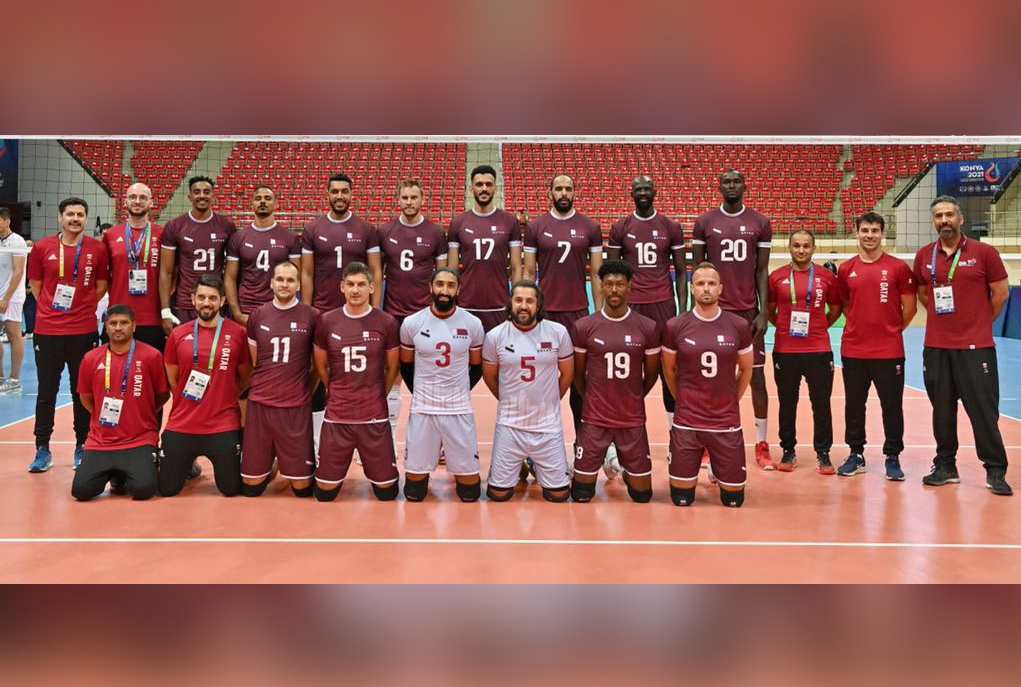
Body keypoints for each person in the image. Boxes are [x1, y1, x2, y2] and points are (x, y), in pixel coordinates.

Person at [913, 195, 1011, 495]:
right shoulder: (924, 255)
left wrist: (979, 322)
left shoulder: (984, 252)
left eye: (949, 215)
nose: (944, 220)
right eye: (938, 216)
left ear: (960, 218)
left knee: (983, 410)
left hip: (975, 347)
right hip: (936, 346)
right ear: (933, 221)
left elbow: (1001, 294)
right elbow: (924, 294)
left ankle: (995, 470)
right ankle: (945, 466)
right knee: (942, 410)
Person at [691, 170, 774, 469]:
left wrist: (763, 310)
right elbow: (699, 270)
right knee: (710, 379)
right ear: (719, 186)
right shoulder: (705, 221)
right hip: (715, 312)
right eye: (726, 182)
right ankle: (706, 443)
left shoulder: (760, 222)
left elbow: (761, 270)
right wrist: (695, 312)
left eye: (736, 181)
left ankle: (762, 443)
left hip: (748, 312)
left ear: (745, 185)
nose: (731, 186)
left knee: (757, 379)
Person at [27, 197, 109, 473]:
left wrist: (80, 307)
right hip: (48, 330)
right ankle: (42, 448)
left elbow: (101, 286)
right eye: (70, 214)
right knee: (46, 390)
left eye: (80, 214)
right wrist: (53, 310)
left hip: (83, 330)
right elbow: (36, 286)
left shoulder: (97, 248)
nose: (75, 219)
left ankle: (82, 445)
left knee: (81, 390)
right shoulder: (42, 247)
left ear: (86, 218)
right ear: (60, 217)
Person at [660, 262, 753, 507]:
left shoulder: (738, 325)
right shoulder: (675, 326)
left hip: (725, 422)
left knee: (734, 500)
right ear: (692, 288)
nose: (706, 288)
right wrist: (683, 400)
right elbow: (669, 370)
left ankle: (719, 466)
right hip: (687, 422)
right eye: (700, 283)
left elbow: (746, 369)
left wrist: (731, 399)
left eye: (712, 283)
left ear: (720, 288)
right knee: (681, 499)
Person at [300, 172, 381, 452]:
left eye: (344, 191)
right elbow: (306, 273)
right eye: (334, 191)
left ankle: (364, 435)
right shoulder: (313, 229)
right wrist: (309, 311)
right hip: (323, 312)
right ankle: (315, 441)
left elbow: (375, 271)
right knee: (316, 372)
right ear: (327, 194)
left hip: (356, 314)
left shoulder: (366, 229)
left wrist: (374, 311)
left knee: (360, 370)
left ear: (351, 194)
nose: (339, 196)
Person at [569, 260, 660, 503]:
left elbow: (652, 374)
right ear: (600, 286)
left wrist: (633, 396)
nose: (614, 290)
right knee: (581, 494)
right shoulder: (584, 326)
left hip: (631, 419)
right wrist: (592, 398)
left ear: (629, 286)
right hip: (594, 419)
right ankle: (607, 464)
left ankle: (625, 470)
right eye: (608, 284)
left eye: (620, 284)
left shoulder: (647, 327)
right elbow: (578, 374)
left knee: (642, 495)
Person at [835, 212, 916, 479]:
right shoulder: (846, 269)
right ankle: (856, 454)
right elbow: (846, 305)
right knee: (854, 405)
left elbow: (910, 308)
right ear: (856, 233)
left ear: (882, 233)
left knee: (891, 405)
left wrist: (890, 330)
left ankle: (892, 456)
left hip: (889, 351)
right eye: (865, 230)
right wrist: (861, 326)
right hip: (854, 350)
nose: (869, 235)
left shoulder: (898, 267)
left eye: (875, 230)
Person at [522, 173, 603, 441]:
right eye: (559, 188)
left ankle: (583, 443)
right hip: (545, 315)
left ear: (575, 192)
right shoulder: (536, 227)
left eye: (568, 188)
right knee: (539, 380)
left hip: (578, 314)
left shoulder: (590, 227)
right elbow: (528, 272)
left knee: (580, 382)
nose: (564, 193)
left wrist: (599, 315)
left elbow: (597, 274)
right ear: (550, 193)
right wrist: (526, 311)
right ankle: (535, 441)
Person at [312, 261, 400, 502]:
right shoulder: (327, 321)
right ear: (342, 286)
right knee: (324, 493)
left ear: (372, 287)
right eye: (350, 284)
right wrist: (334, 388)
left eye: (361, 284)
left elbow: (392, 367)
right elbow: (320, 364)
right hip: (338, 415)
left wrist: (377, 394)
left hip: (373, 415)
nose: (355, 290)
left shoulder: (386, 322)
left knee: (387, 492)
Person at [481, 280, 574, 502]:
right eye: (519, 300)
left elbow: (567, 374)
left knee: (559, 495)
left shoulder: (557, 332)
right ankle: (521, 462)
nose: (524, 306)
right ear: (510, 302)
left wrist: (551, 401)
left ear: (538, 305)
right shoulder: (495, 336)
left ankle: (534, 463)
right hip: (510, 425)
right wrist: (507, 400)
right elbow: (490, 377)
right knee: (498, 495)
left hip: (547, 426)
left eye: (530, 301)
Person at [398, 267, 485, 502]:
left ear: (458, 289)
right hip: (423, 410)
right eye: (440, 284)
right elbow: (406, 366)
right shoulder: (411, 323)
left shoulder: (473, 324)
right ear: (431, 287)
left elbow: (477, 367)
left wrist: (459, 391)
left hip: (459, 409)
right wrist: (421, 393)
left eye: (450, 285)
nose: (444, 290)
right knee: (413, 493)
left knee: (470, 494)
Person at [160, 274, 251, 497]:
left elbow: (245, 376)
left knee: (230, 489)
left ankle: (191, 460)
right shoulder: (178, 334)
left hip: (222, 424)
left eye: (212, 298)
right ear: (192, 299)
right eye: (201, 297)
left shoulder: (238, 334)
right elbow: (173, 379)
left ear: (222, 301)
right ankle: (188, 462)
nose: (206, 303)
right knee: (167, 489)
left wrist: (224, 394)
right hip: (183, 422)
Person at [71, 305, 169, 501]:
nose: (118, 327)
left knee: (143, 489)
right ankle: (118, 472)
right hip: (101, 440)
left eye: (124, 323)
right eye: (113, 323)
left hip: (139, 439)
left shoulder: (151, 355)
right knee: (81, 491)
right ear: (106, 326)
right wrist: (100, 415)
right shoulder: (90, 358)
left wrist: (141, 413)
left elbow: (162, 395)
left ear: (134, 326)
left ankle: (127, 471)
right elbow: (86, 397)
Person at [377, 178, 447, 440]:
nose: (409, 202)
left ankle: (433, 438)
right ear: (398, 200)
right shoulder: (385, 231)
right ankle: (388, 436)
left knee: (429, 376)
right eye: (405, 197)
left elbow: (442, 276)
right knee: (392, 374)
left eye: (413, 197)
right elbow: (377, 272)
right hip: (393, 314)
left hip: (425, 316)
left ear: (422, 199)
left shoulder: (435, 232)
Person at [241, 261, 318, 497]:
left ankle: (288, 463)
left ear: (298, 285)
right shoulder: (257, 316)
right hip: (261, 404)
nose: (285, 284)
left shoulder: (312, 316)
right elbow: (256, 362)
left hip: (295, 406)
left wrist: (305, 390)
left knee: (302, 490)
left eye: (290, 280)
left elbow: (317, 365)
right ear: (272, 283)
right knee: (251, 488)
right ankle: (272, 464)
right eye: (280, 279)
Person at [767, 230, 842, 473]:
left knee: (821, 403)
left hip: (818, 349)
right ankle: (788, 450)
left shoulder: (826, 276)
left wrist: (818, 327)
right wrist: (784, 327)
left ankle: (823, 453)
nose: (801, 250)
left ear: (813, 248)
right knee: (787, 402)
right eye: (797, 245)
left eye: (806, 246)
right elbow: (770, 310)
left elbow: (836, 309)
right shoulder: (776, 276)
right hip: (785, 350)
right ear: (789, 248)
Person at [446, 164, 523, 332]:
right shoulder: (458, 223)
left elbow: (517, 267)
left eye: (488, 184)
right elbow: (452, 269)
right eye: (479, 184)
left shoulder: (510, 221)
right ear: (471, 188)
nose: (484, 189)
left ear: (495, 187)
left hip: (500, 303)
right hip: (465, 304)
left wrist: (516, 299)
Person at [159, 175, 237, 331]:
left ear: (213, 196)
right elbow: (166, 272)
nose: (202, 195)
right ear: (189, 196)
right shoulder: (175, 226)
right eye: (197, 192)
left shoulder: (227, 226)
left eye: (206, 192)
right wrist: (165, 311)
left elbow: (233, 271)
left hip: (215, 302)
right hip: (185, 303)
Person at [224, 185, 301, 325]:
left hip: (278, 306)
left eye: (267, 198)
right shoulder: (238, 237)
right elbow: (230, 277)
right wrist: (237, 313)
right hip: (246, 307)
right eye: (258, 198)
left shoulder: (290, 238)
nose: (263, 201)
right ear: (252, 203)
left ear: (276, 203)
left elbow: (296, 278)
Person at [102, 183, 165, 350]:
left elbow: (170, 275)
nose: (137, 201)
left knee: (151, 365)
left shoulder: (163, 234)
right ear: (125, 202)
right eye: (132, 197)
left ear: (151, 202)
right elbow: (103, 275)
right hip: (117, 316)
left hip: (152, 318)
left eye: (143, 197)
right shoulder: (111, 235)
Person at [0, 207, 27, 394]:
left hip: (12, 296)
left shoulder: (17, 241)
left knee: (13, 334)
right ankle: (1, 377)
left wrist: (5, 298)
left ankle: (15, 379)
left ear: (7, 221)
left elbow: (18, 272)